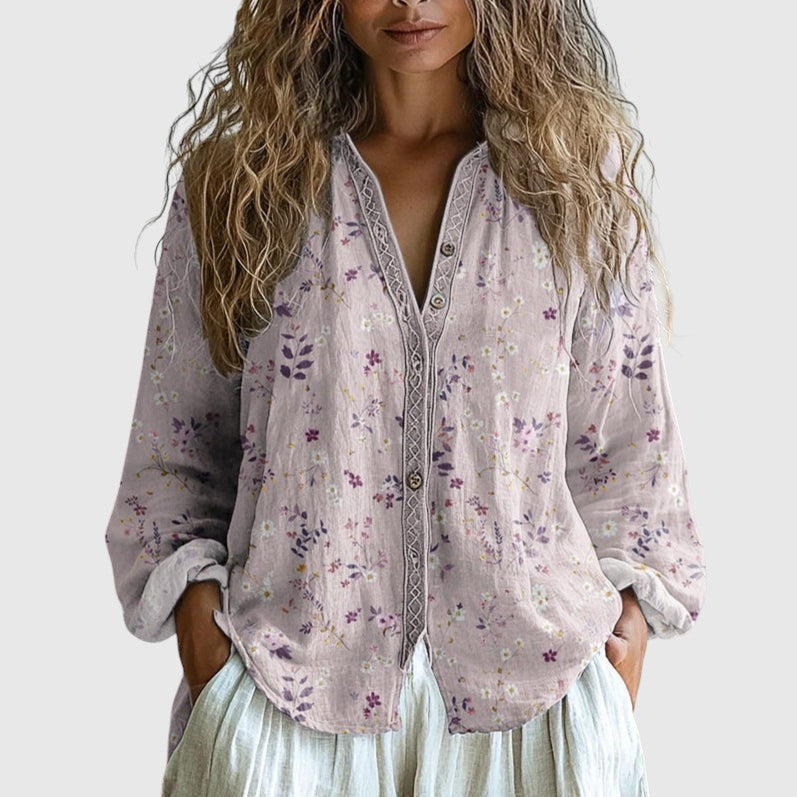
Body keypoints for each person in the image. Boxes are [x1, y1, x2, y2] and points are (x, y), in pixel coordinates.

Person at [104, 1, 707, 795]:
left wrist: (621, 648)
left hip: (534, 704)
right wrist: (205, 645)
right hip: (289, 697)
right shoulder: (238, 190)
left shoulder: (570, 185)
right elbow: (176, 448)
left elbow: (629, 451)